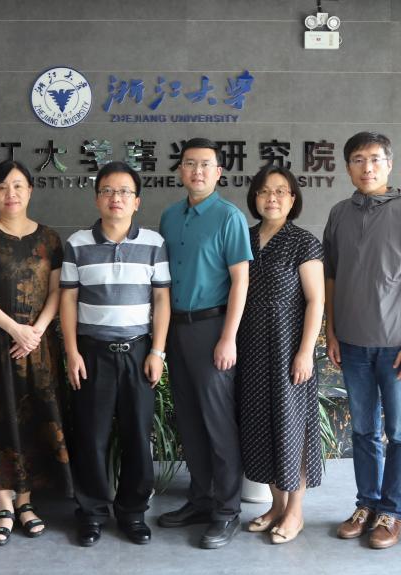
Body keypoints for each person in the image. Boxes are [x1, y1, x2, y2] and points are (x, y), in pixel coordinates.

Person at [324, 131, 401, 549]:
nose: (366, 167)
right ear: (347, 167)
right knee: (363, 430)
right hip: (352, 343)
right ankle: (366, 504)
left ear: (389, 164)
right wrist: (331, 331)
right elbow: (331, 276)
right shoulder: (339, 213)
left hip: (396, 346)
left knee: (400, 432)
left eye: (374, 159)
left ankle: (392, 511)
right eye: (358, 159)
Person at [0, 159, 71, 546]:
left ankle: (26, 502)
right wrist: (15, 329)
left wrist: (35, 331)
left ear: (30, 190)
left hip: (38, 345)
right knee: (0, 419)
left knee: (34, 417)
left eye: (19, 185)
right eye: (3, 187)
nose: (11, 193)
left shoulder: (50, 238)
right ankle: (4, 505)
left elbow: (57, 291)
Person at [60, 161, 171, 547]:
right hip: (91, 353)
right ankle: (91, 513)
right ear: (97, 198)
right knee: (91, 436)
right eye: (107, 190)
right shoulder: (77, 243)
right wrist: (72, 352)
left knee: (137, 435)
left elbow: (162, 299)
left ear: (137, 201)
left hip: (138, 352)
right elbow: (68, 300)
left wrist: (158, 351)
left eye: (124, 191)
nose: (115, 198)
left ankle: (133, 513)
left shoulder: (154, 243)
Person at [157, 137, 252, 549]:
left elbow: (240, 281)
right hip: (175, 329)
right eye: (190, 164)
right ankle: (199, 499)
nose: (197, 171)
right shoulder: (169, 216)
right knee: (190, 420)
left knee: (217, 422)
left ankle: (227, 510)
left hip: (212, 328)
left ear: (218, 172)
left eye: (205, 165)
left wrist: (229, 337)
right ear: (181, 170)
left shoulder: (229, 217)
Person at [237, 165, 325, 545]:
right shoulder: (244, 237)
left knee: (292, 427)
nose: (271, 198)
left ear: (292, 199)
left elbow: (316, 300)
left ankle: (295, 511)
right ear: (254, 197)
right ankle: (276, 505)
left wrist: (305, 352)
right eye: (264, 191)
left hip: (289, 345)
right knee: (262, 426)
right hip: (251, 346)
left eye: (280, 191)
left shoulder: (303, 241)